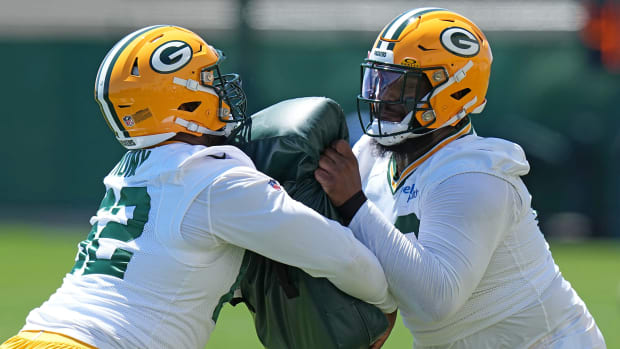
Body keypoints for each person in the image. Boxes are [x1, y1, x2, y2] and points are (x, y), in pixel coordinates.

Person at [0, 25, 397, 349]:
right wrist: (385, 302)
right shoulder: (214, 180)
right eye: (207, 79)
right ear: (181, 102)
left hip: (35, 335)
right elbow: (338, 254)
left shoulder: (133, 168)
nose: (221, 87)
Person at [315, 8, 607, 348]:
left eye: (401, 86)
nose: (383, 98)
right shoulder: (369, 155)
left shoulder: (472, 174)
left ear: (454, 90)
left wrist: (354, 203)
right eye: (379, 80)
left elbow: (436, 300)